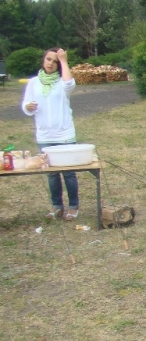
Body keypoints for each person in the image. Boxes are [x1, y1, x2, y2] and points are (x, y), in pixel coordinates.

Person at [20, 48, 80, 220]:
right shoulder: (33, 83)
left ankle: (73, 206)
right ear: (43, 60)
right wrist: (28, 107)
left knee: (68, 172)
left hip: (65, 134)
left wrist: (64, 60)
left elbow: (70, 84)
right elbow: (25, 105)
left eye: (55, 61)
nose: (51, 63)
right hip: (45, 136)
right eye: (48, 59)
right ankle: (57, 207)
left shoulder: (62, 82)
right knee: (52, 173)